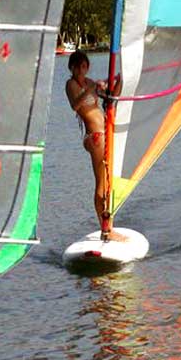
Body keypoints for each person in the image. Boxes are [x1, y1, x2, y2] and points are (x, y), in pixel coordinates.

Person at [65, 50, 123, 238]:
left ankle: (108, 226)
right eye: (77, 66)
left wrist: (119, 81)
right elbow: (75, 105)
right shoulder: (71, 84)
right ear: (71, 67)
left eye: (84, 66)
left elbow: (111, 98)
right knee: (101, 184)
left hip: (105, 133)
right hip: (94, 136)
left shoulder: (90, 82)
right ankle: (105, 228)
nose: (81, 70)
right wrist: (91, 89)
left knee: (108, 182)